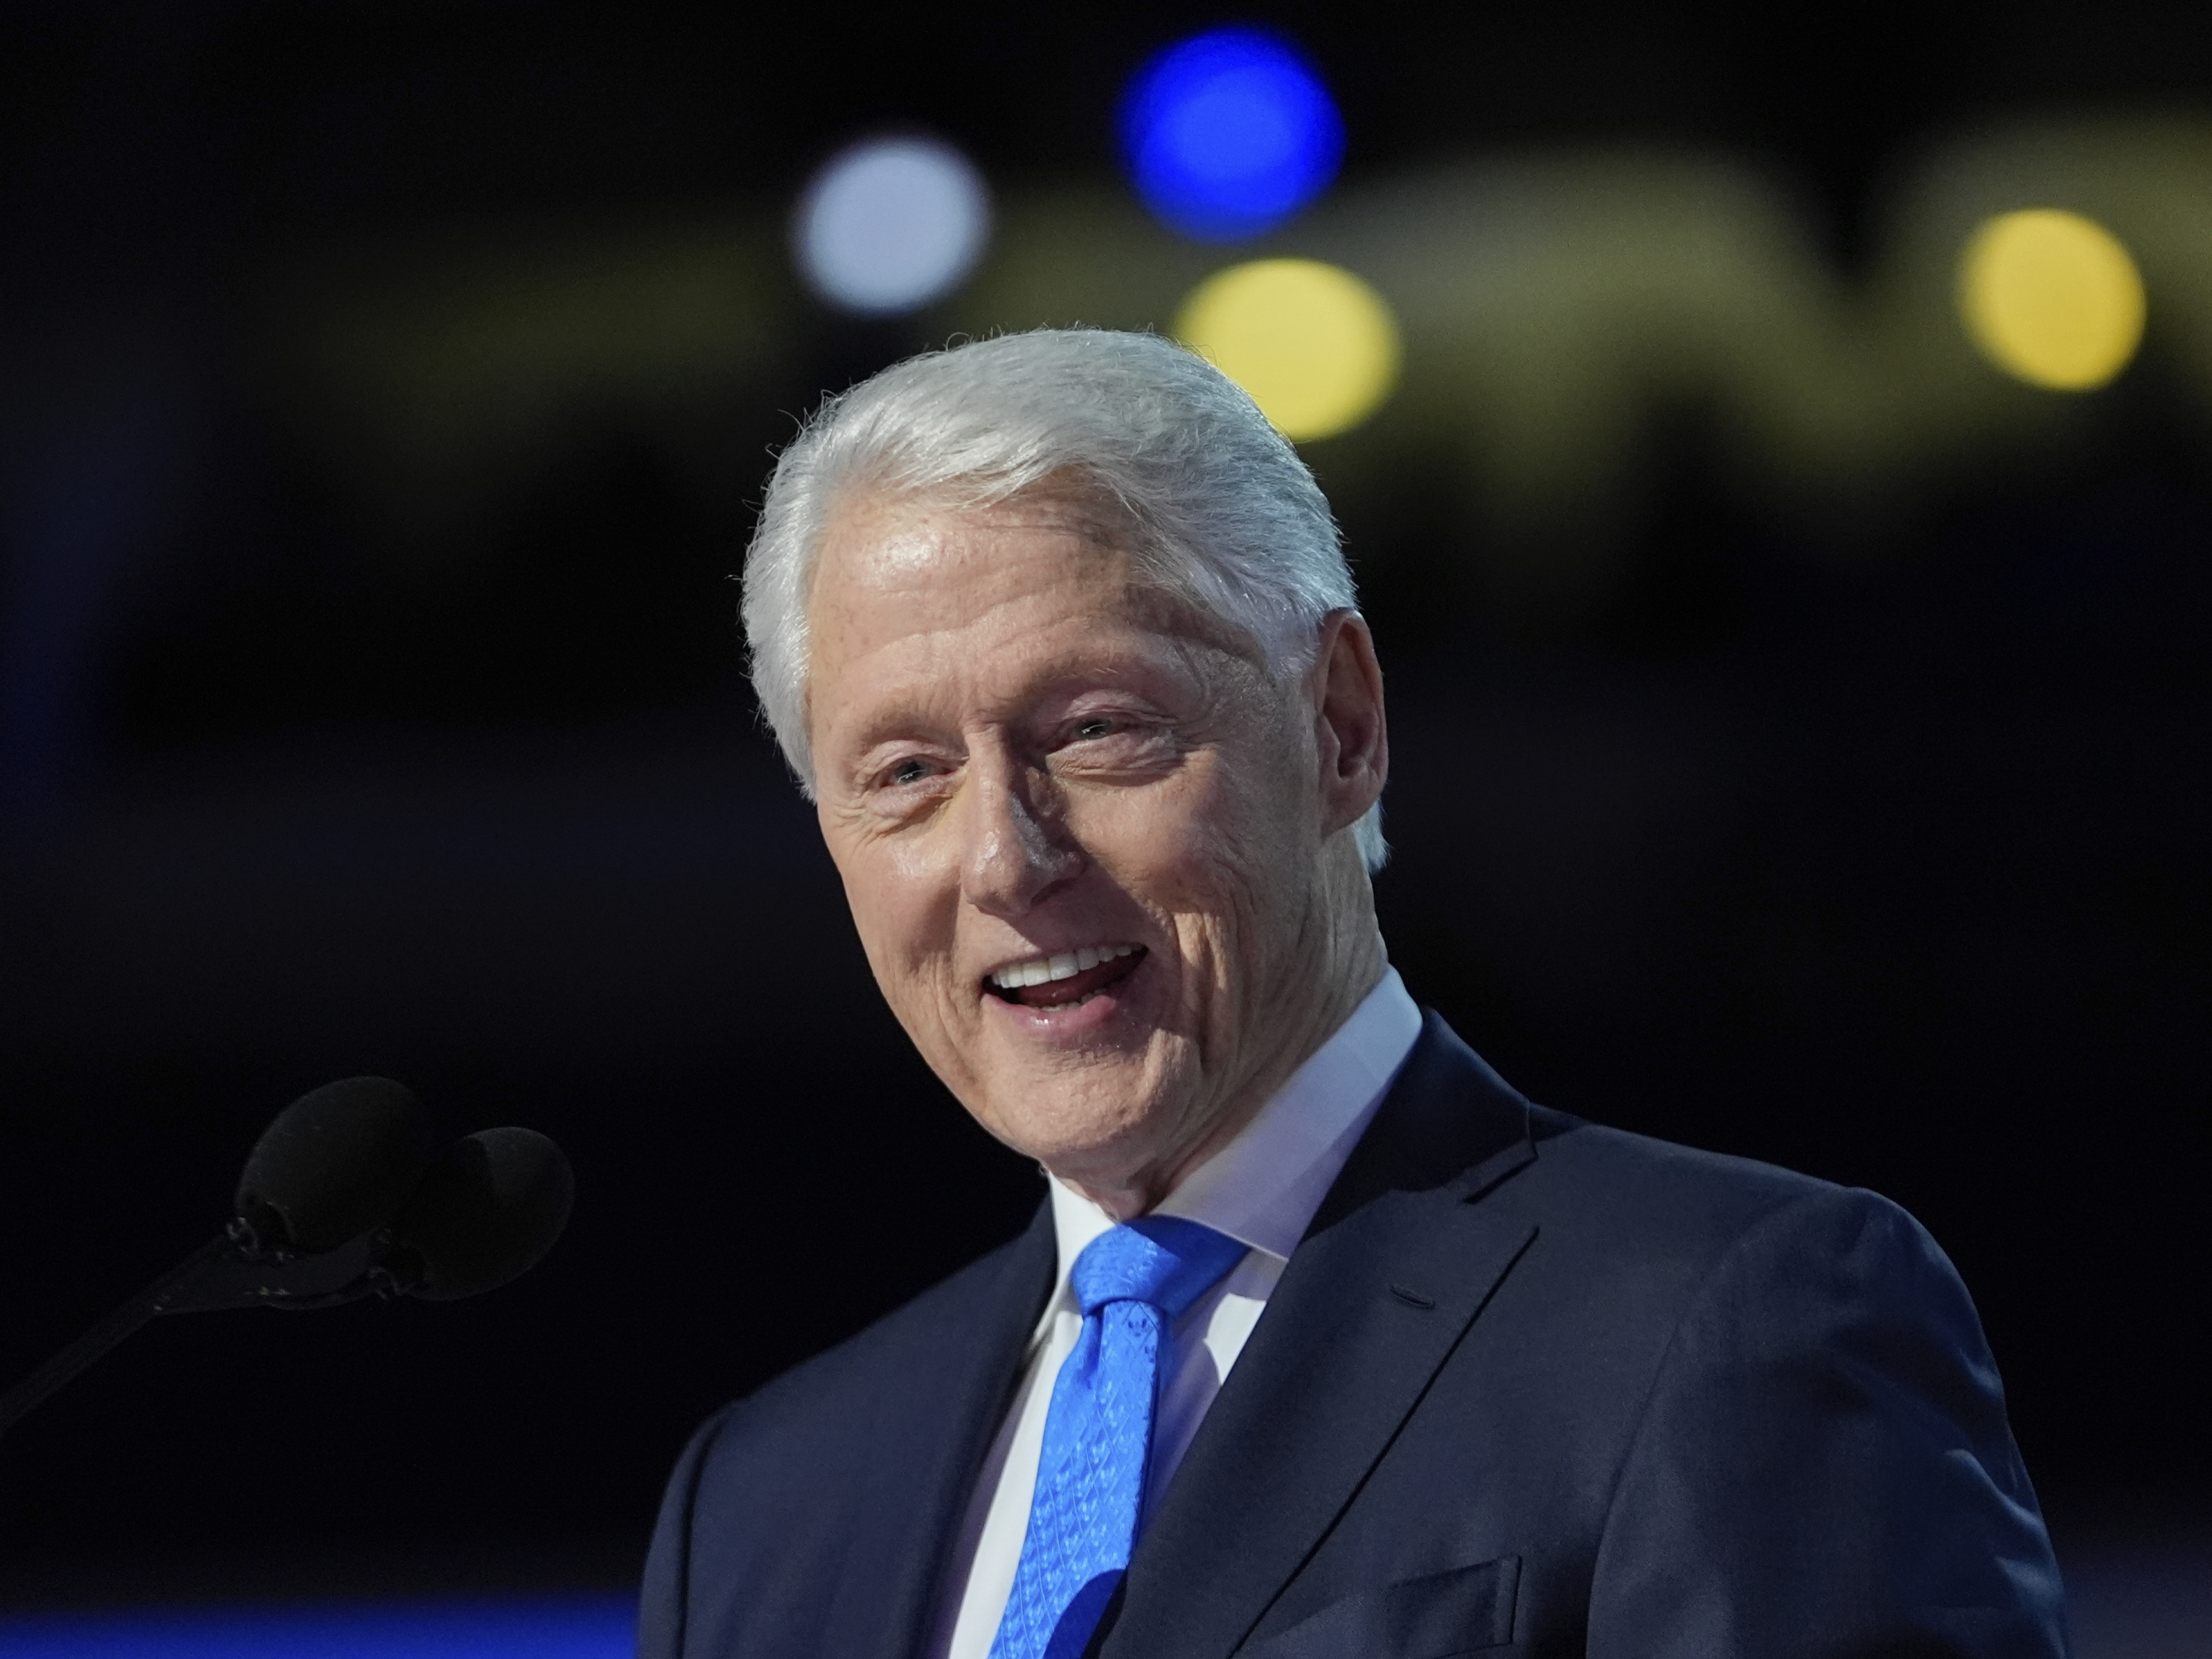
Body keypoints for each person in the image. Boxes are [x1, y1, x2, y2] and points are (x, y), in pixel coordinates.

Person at [638, 329, 2067, 1659]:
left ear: (1338, 722)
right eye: (902, 774)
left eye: (1095, 729)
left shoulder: (1725, 1326)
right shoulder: (760, 1503)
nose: (1006, 858)